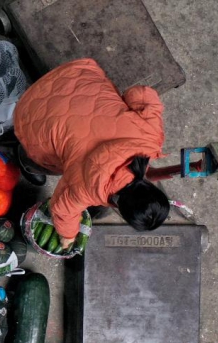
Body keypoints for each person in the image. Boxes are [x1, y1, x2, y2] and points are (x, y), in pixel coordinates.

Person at [14, 58, 170, 248]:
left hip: (77, 75)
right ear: (121, 209)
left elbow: (142, 94)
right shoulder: (87, 189)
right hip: (30, 110)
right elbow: (62, 209)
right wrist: (67, 236)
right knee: (47, 158)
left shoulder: (150, 138)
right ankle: (25, 160)